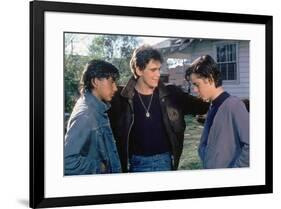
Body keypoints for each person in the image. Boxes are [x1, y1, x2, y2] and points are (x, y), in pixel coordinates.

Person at [109, 45, 209, 172]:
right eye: (153, 70)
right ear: (139, 70)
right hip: (133, 164)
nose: (158, 74)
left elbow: (202, 106)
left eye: (159, 69)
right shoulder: (119, 99)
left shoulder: (172, 94)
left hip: (164, 162)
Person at [186, 55, 249, 169]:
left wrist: (236, 172)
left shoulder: (234, 105)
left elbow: (252, 145)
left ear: (210, 79)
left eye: (196, 84)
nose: (194, 90)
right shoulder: (213, 106)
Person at [64, 60, 122, 175]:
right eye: (112, 82)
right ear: (95, 81)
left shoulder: (96, 108)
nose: (115, 88)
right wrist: (101, 168)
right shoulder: (86, 115)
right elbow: (67, 162)